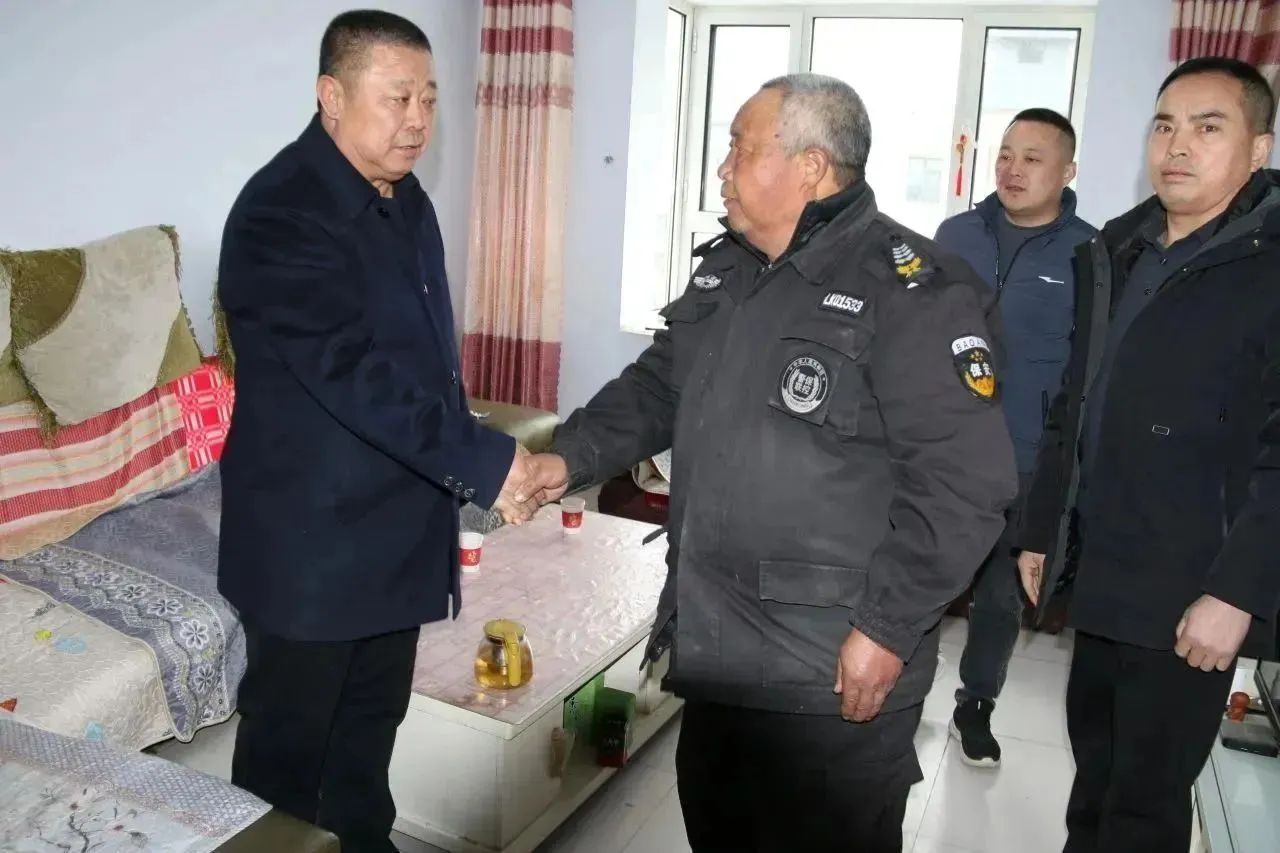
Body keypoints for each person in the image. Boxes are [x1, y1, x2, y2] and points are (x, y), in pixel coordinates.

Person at [521, 74, 1018, 852]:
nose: (722, 168)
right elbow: (656, 386)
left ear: (811, 167)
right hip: (717, 652)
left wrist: (887, 629)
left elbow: (964, 485)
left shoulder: (914, 291)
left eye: (739, 148)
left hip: (830, 673)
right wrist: (566, 458)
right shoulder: (728, 270)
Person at [215, 11, 536, 852]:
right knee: (287, 766)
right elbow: (351, 373)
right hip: (312, 545)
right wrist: (489, 462)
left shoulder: (403, 196)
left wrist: (468, 458)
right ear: (331, 95)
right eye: (398, 98)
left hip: (395, 529)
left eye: (428, 98)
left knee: (366, 740)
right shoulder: (281, 212)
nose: (419, 120)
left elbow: (425, 360)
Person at [1016, 56, 1280, 852]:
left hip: (1194, 586)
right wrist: (1042, 528)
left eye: (1208, 127)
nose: (1178, 145)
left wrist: (1236, 591)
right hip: (1105, 570)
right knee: (1093, 781)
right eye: (1164, 125)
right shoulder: (1118, 250)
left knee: (1144, 808)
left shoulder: (1267, 262)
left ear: (1258, 149)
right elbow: (1075, 400)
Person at [933, 108, 1096, 767]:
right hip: (942, 449)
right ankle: (897, 690)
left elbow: (1087, 369)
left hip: (1026, 459)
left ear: (1067, 171)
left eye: (1032, 157)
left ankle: (976, 703)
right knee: (919, 575)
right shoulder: (956, 234)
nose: (1012, 168)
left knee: (1001, 596)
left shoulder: (1089, 253)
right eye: (1005, 154)